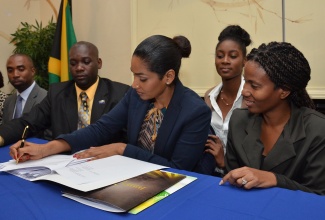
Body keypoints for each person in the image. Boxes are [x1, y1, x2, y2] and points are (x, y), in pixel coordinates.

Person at [10, 35, 212, 173]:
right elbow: (101, 128)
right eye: (133, 75)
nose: (134, 84)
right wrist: (48, 149)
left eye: (142, 78)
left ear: (168, 77)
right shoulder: (135, 96)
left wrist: (122, 149)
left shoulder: (195, 111)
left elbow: (177, 169)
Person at [219, 41, 325, 195]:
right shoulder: (239, 121)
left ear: (284, 91)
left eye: (254, 86)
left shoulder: (317, 130)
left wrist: (275, 179)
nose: (244, 91)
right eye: (245, 82)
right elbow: (232, 180)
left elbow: (319, 197)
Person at [0, 41, 130, 146]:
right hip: (65, 164)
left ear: (99, 63)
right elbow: (28, 122)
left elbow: (126, 139)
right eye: (73, 63)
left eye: (86, 62)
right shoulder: (57, 93)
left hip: (104, 166)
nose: (79, 68)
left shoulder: (119, 93)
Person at [204, 25, 251, 176]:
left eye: (232, 56)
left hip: (242, 177)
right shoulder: (209, 96)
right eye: (220, 55)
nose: (225, 61)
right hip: (210, 174)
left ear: (244, 60)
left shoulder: (251, 97)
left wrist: (225, 161)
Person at [3, 54, 47, 124]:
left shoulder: (45, 98)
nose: (15, 75)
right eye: (10, 70)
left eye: (21, 69)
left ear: (33, 71)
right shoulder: (8, 101)